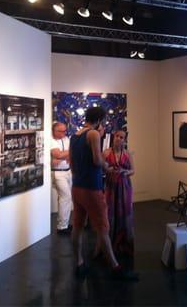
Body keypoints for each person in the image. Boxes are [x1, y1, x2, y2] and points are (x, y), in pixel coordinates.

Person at [70, 107, 138, 281]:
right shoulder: (93, 134)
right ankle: (116, 268)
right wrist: (107, 167)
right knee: (103, 227)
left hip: (77, 186)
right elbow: (97, 159)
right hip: (92, 188)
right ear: (99, 119)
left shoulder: (74, 136)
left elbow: (71, 163)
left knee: (77, 226)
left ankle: (79, 263)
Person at [103, 130, 135, 260]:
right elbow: (101, 168)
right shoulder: (106, 153)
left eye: (122, 137)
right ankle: (109, 244)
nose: (119, 139)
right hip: (111, 186)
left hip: (124, 187)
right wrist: (107, 169)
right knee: (110, 213)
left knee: (124, 213)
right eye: (117, 136)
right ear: (113, 137)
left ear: (124, 140)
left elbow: (133, 170)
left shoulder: (127, 154)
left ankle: (124, 243)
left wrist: (125, 172)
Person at [51, 122, 72, 235]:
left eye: (65, 131)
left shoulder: (66, 139)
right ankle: (62, 226)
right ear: (54, 131)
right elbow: (57, 155)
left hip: (68, 171)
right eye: (61, 131)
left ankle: (65, 223)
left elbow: (67, 155)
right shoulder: (51, 140)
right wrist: (64, 155)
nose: (64, 133)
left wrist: (64, 155)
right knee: (65, 197)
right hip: (58, 173)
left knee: (66, 198)